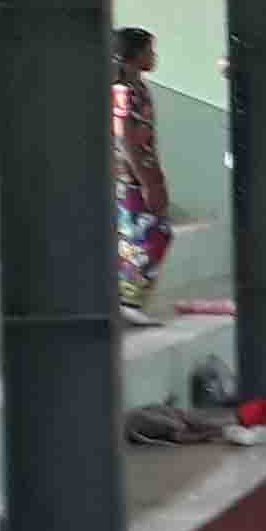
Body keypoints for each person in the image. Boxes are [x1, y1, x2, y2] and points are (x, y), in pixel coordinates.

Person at [113, 28, 174, 326]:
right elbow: (123, 139)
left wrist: (157, 176)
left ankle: (128, 297)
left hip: (145, 172)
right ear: (135, 55)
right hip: (130, 177)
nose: (154, 56)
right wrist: (145, 181)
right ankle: (127, 299)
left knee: (152, 234)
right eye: (150, 51)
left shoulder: (142, 89)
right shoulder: (121, 90)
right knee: (151, 235)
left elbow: (148, 137)